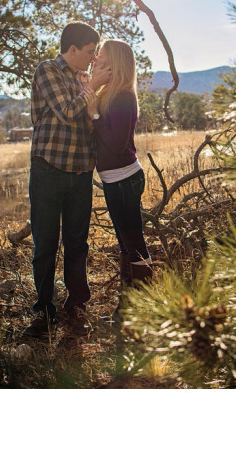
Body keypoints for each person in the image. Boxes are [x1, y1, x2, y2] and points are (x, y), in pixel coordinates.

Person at [24, 21, 110, 338]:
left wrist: (94, 95)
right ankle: (43, 314)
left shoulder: (84, 79)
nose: (92, 59)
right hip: (48, 170)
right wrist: (96, 86)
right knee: (46, 243)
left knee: (77, 244)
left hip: (80, 173)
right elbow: (68, 112)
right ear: (72, 49)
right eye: (89, 52)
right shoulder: (48, 70)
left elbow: (90, 122)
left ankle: (76, 309)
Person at [86, 39, 153, 320]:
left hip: (125, 180)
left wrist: (94, 113)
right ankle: (128, 307)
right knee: (127, 244)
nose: (96, 57)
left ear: (114, 61)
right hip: (116, 180)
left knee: (133, 244)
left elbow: (115, 143)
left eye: (100, 54)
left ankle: (143, 307)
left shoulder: (124, 96)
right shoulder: (107, 93)